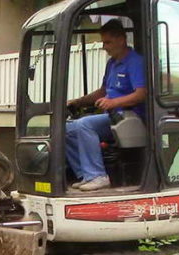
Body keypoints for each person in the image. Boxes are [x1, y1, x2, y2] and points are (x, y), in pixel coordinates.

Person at [66, 19, 147, 191]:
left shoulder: (135, 62)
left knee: (84, 125)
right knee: (67, 129)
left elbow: (141, 94)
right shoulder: (112, 63)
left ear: (121, 40)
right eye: (104, 42)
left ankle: (98, 176)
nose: (105, 47)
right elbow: (103, 91)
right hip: (114, 117)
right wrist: (78, 101)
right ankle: (85, 174)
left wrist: (113, 102)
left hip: (132, 117)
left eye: (108, 42)